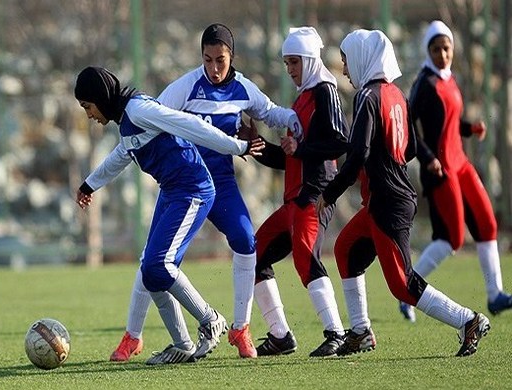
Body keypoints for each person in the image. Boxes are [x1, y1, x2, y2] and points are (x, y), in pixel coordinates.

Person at [109, 23, 303, 362]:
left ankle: (240, 329)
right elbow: (153, 116)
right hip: (186, 183)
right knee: (154, 262)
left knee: (246, 241)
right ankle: (132, 337)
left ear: (232, 57)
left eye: (221, 60)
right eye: (208, 59)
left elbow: (271, 112)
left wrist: (298, 123)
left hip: (222, 183)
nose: (214, 68)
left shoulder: (243, 89)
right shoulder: (186, 86)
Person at [73, 66, 265, 365]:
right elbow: (122, 155)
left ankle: (210, 319)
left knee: (157, 265)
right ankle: (183, 344)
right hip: (173, 192)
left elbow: (190, 125)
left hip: (192, 191)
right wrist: (90, 184)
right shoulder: (126, 121)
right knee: (151, 270)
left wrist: (237, 146)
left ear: (100, 97)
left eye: (88, 106)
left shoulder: (138, 109)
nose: (88, 114)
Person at [316, 29, 490, 357]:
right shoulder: (396, 94)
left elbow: (358, 155)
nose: (345, 69)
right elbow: (409, 147)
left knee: (402, 284)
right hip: (386, 199)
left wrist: (331, 192)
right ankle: (360, 331)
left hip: (387, 202)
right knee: (345, 250)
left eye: (346, 61)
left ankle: (468, 320)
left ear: (363, 58)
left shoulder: (368, 96)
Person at [239, 27, 350, 357]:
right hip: (294, 198)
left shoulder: (324, 91)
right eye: (287, 63)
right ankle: (281, 335)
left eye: (294, 62)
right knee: (254, 256)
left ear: (310, 59)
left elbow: (338, 142)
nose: (290, 69)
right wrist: (255, 145)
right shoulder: (302, 97)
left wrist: (298, 148)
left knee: (304, 256)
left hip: (314, 194)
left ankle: (337, 333)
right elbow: (288, 157)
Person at [398, 20, 512, 322]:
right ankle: (408, 291)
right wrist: (427, 157)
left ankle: (494, 296)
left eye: (446, 48)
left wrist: (470, 128)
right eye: (436, 49)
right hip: (440, 168)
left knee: (488, 224)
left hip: (460, 161)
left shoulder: (449, 78)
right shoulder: (424, 83)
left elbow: (447, 123)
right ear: (427, 50)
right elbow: (410, 128)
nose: (442, 54)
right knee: (452, 240)